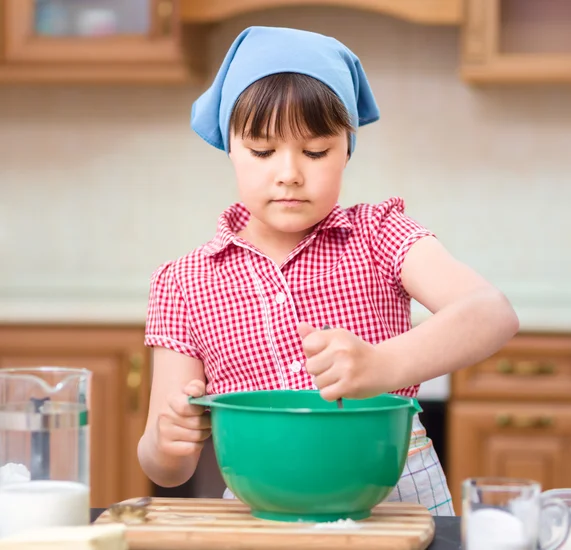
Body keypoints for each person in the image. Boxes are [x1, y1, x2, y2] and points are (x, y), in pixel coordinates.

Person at [137, 26, 519, 516]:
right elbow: (163, 467)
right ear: (229, 147)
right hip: (262, 507)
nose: (290, 172)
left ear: (346, 149)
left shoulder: (380, 234)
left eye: (315, 151)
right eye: (262, 150)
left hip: (395, 500)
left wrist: (379, 366)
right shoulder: (184, 282)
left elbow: (492, 313)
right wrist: (169, 442)